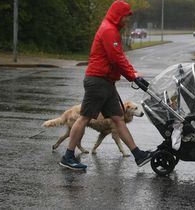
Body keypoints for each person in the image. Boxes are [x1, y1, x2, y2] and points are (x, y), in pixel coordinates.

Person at [59, 0, 154, 170]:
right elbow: (115, 58)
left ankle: (138, 155)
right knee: (84, 118)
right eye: (125, 16)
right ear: (118, 15)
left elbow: (119, 57)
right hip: (97, 81)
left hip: (107, 82)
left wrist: (132, 73)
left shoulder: (111, 29)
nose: (126, 20)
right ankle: (68, 156)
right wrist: (132, 75)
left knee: (118, 119)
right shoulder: (108, 30)